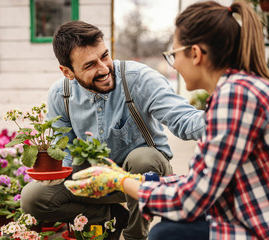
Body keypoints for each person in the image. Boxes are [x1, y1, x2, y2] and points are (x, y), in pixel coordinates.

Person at [64, 1, 269, 239]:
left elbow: (191, 200)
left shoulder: (235, 98)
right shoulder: (239, 90)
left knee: (165, 233)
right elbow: (202, 182)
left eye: (173, 54)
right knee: (167, 226)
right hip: (249, 214)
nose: (174, 64)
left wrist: (121, 182)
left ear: (195, 54)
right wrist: (139, 181)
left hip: (257, 228)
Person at [20, 20, 205, 240]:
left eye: (104, 56)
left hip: (142, 175)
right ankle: (112, 217)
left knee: (142, 159)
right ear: (67, 72)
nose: (103, 68)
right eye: (89, 65)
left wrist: (225, 121)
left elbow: (184, 119)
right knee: (32, 197)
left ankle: (135, 235)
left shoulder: (138, 79)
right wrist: (56, 174)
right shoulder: (62, 94)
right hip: (94, 178)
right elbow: (64, 153)